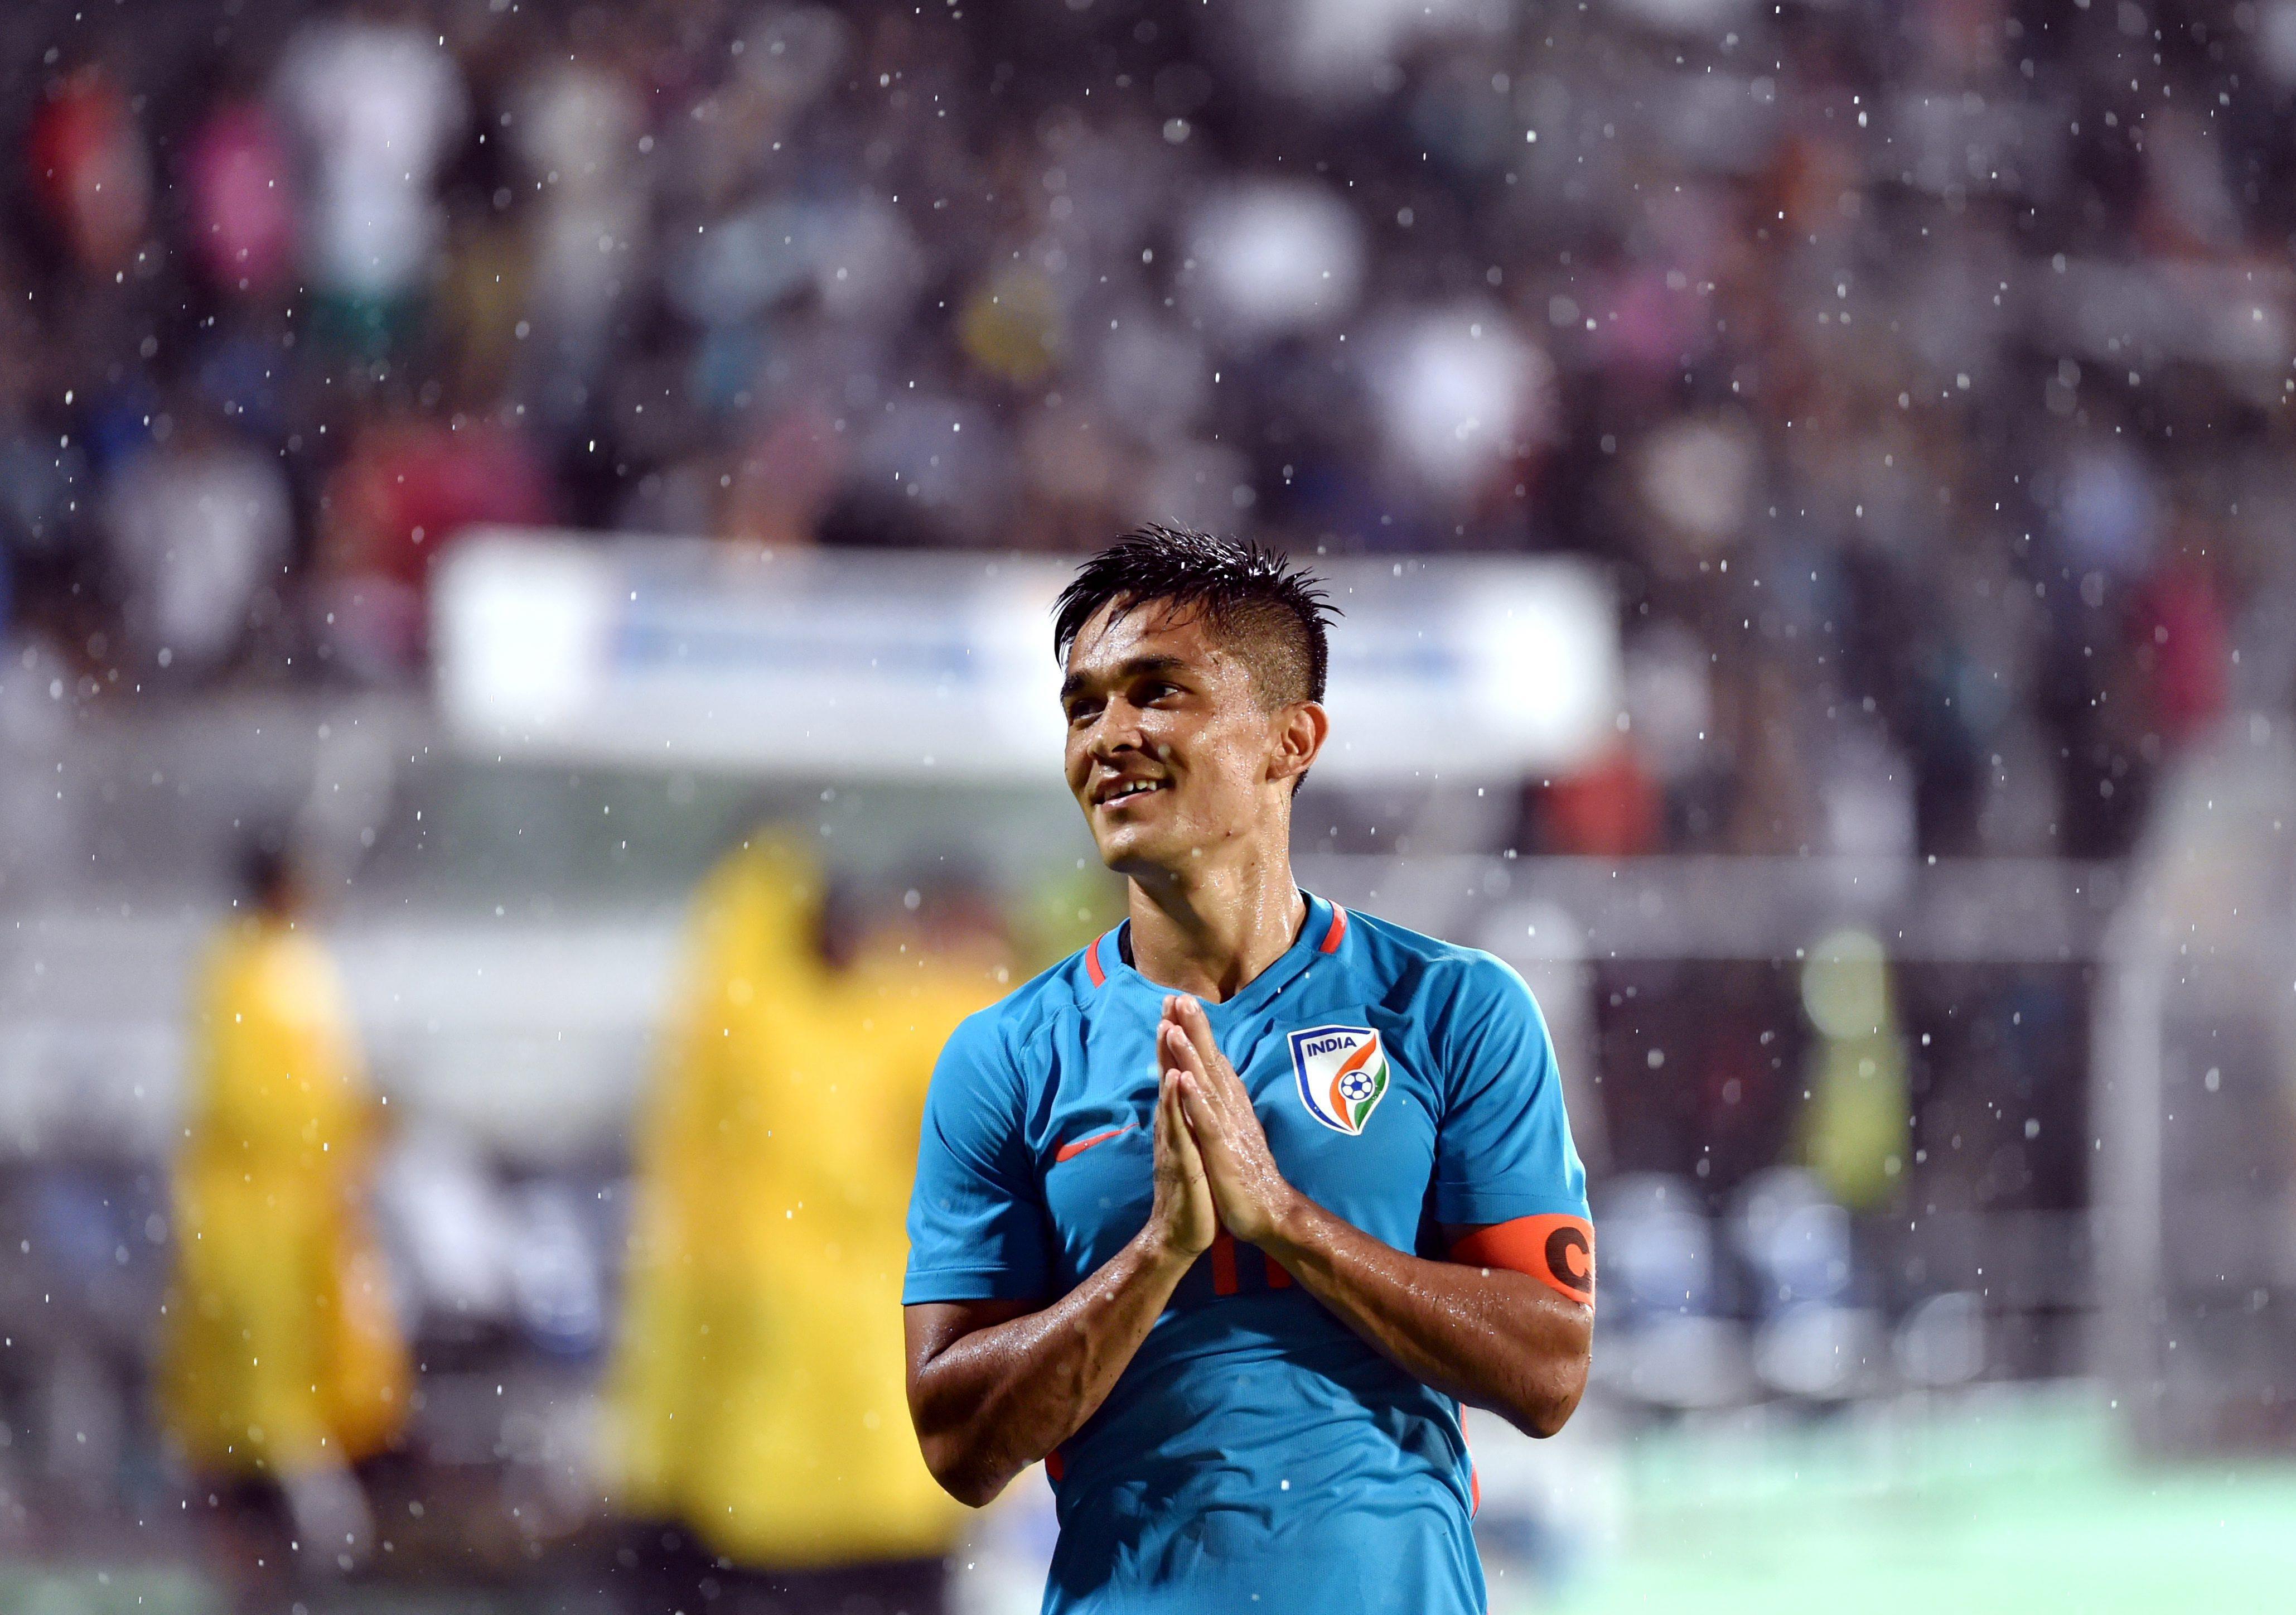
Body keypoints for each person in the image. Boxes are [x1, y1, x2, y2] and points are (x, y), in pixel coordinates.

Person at [902, 528, 1596, 1614]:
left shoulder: (1450, 1009)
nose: (1109, 736)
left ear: (1290, 740)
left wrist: (1281, 1217)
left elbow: (1547, 1366)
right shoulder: (1006, 1055)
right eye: (1082, 707)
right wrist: (1156, 1255)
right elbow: (956, 1440)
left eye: (1158, 692)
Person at [608, 835, 1001, 1615]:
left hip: (756, 1321)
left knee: (757, 1529)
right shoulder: (890, 1026)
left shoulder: (743, 1025)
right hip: (858, 1328)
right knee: (871, 1529)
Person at [158, 833, 407, 1611]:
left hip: (298, 1208)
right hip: (260, 1214)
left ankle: (294, 1522)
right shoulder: (247, 975)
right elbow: (255, 1104)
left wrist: (348, 1129)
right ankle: (280, 1525)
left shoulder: (287, 968)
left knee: (295, 1365)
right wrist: (337, 1129)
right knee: (261, 1376)